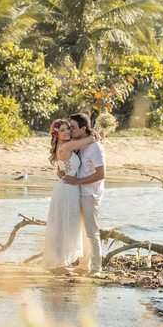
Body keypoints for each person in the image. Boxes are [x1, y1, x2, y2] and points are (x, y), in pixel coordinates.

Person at [41, 118, 94, 272]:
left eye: (68, 129)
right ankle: (58, 264)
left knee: (66, 224)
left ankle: (60, 262)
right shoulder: (67, 145)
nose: (67, 132)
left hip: (68, 187)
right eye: (62, 130)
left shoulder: (63, 146)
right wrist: (96, 132)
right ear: (56, 134)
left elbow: (61, 169)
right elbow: (90, 139)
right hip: (67, 189)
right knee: (63, 225)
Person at [61, 112, 105, 275]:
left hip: (90, 194)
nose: (71, 131)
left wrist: (77, 182)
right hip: (78, 192)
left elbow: (101, 174)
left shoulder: (96, 148)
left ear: (83, 128)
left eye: (73, 127)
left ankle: (96, 268)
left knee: (92, 231)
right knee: (82, 230)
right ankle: (83, 265)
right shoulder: (80, 144)